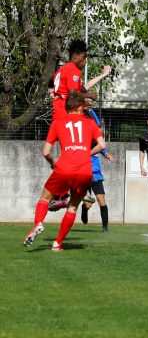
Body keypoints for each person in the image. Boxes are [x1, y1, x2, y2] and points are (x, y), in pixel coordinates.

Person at [23, 91, 106, 251]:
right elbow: (102, 145)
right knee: (73, 206)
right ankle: (57, 244)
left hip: (64, 168)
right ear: (80, 107)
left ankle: (38, 223)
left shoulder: (58, 123)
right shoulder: (90, 123)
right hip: (84, 170)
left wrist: (53, 163)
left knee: (45, 198)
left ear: (67, 107)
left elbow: (46, 151)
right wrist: (86, 153)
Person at [48, 39, 111, 210]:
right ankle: (62, 194)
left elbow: (81, 89)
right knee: (73, 155)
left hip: (61, 114)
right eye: (84, 58)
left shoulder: (64, 70)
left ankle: (67, 193)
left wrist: (103, 76)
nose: (86, 61)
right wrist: (89, 96)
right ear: (76, 56)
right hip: (64, 115)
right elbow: (76, 93)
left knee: (72, 154)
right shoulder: (73, 70)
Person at [80, 107, 115, 232]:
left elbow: (101, 147)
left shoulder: (96, 140)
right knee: (88, 203)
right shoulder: (80, 141)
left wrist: (107, 155)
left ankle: (105, 227)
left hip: (96, 175)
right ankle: (85, 209)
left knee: (101, 200)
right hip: (84, 174)